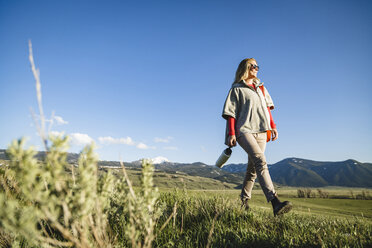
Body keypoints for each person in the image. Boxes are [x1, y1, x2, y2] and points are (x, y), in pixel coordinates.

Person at [222, 58, 292, 216]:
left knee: (253, 169)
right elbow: (231, 114)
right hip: (244, 130)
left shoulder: (261, 88)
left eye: (257, 66)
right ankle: (275, 202)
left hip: (261, 131)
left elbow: (268, 109)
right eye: (253, 66)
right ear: (246, 68)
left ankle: (243, 201)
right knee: (261, 160)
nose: (257, 68)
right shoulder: (236, 89)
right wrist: (231, 133)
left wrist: (273, 126)